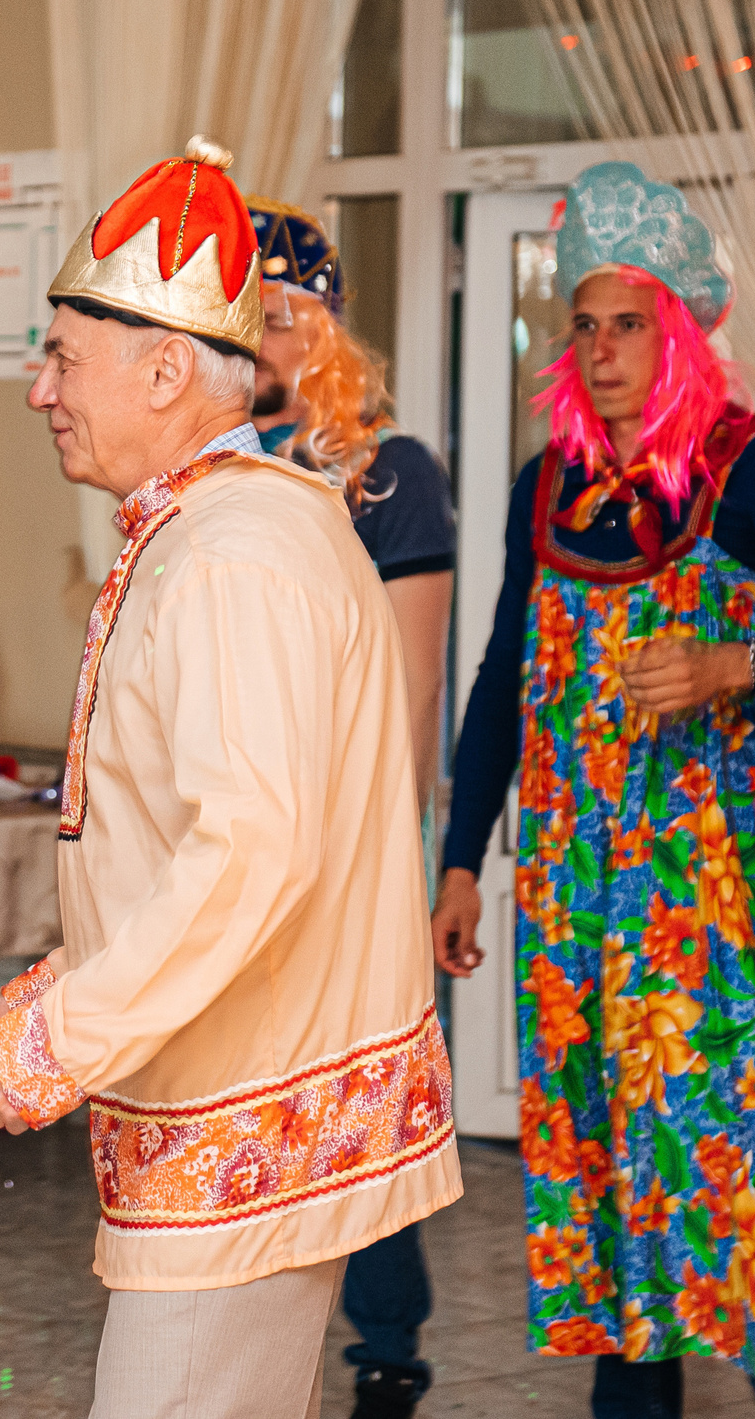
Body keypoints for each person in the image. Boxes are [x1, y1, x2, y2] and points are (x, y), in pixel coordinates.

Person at [0, 138, 460, 1419]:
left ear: (167, 368)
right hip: (231, 1094)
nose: (36, 388)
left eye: (60, 354)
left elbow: (252, 850)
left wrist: (61, 1034)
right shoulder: (220, 523)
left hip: (241, 1108)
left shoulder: (235, 546)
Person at [432, 162, 755, 1418]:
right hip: (575, 914)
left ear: (680, 326)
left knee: (741, 1202)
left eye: (626, 322)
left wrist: (740, 664)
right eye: (582, 326)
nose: (600, 350)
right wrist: (463, 857)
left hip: (711, 921)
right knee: (611, 1208)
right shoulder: (551, 487)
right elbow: (499, 679)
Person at [247, 198, 454, 1419]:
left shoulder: (388, 471)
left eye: (282, 316)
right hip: (241, 826)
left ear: (326, 324)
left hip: (354, 838)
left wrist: (392, 858)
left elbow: (414, 682)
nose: (262, 340)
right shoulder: (216, 463)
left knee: (361, 1094)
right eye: (243, 317)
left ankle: (387, 1350)